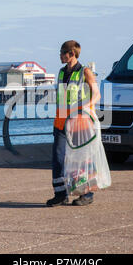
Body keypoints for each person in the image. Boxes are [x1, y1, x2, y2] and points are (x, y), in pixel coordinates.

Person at [46, 40, 101, 207]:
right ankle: (60, 194)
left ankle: (87, 193)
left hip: (79, 122)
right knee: (58, 158)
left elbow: (96, 95)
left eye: (62, 53)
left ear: (71, 54)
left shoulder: (85, 72)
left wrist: (83, 107)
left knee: (82, 159)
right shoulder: (62, 72)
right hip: (61, 122)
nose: (60, 55)